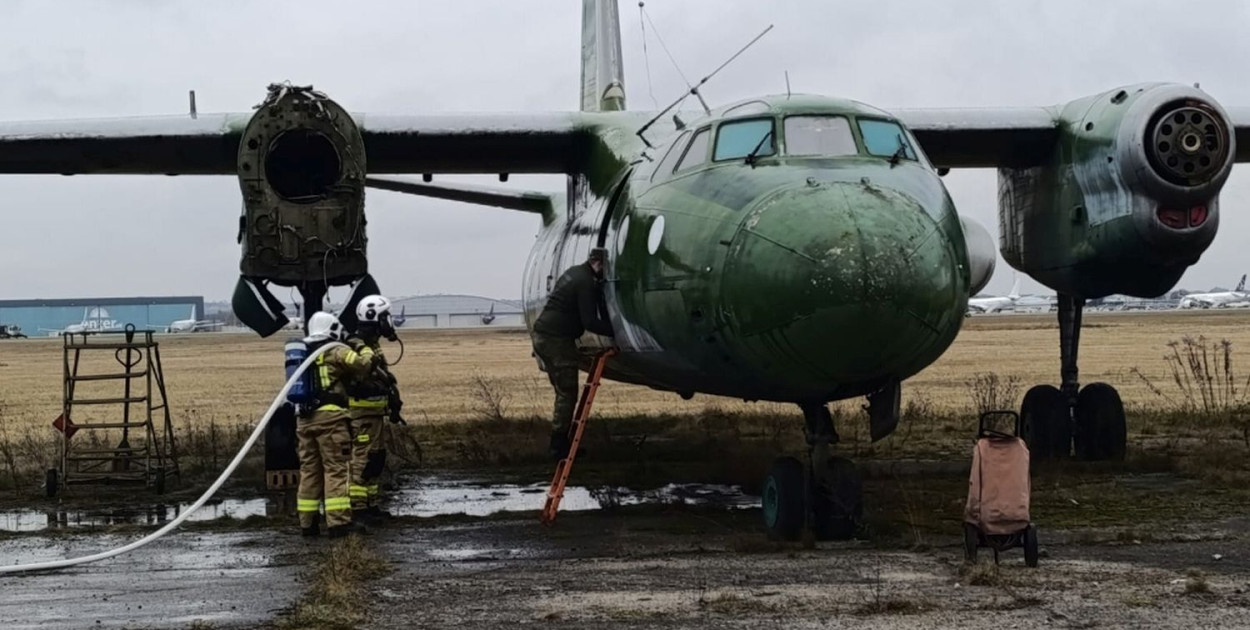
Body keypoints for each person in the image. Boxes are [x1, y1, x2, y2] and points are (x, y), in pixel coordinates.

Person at [296, 311, 381, 537]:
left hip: (304, 420)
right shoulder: (336, 350)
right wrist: (361, 346)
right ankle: (339, 523)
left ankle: (308, 523)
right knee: (336, 469)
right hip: (331, 421)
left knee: (309, 470)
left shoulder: (302, 351)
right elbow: (364, 365)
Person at [531, 248, 614, 459]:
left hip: (544, 336)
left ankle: (561, 441)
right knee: (567, 392)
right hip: (556, 341)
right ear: (599, 264)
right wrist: (617, 331)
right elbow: (590, 322)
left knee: (562, 391)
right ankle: (559, 445)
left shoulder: (575, 273)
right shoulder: (585, 282)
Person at [345, 295, 406, 525]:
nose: (388, 321)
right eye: (385, 317)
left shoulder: (373, 345)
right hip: (362, 414)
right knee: (363, 460)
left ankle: (370, 505)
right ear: (374, 318)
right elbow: (361, 376)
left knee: (376, 460)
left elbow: (384, 377)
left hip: (375, 413)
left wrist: (393, 400)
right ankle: (358, 508)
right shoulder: (356, 344)